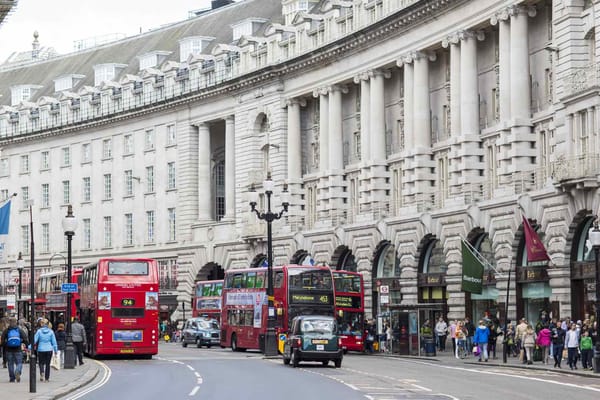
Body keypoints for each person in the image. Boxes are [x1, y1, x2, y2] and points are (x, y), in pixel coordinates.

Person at [1, 317, 28, 383]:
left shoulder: (6, 330)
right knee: (19, 363)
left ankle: (12, 378)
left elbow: (2, 340)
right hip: (18, 349)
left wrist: (5, 345)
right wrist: (25, 345)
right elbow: (25, 338)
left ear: (10, 322)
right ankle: (17, 371)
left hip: (8, 349)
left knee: (10, 364)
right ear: (16, 322)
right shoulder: (19, 330)